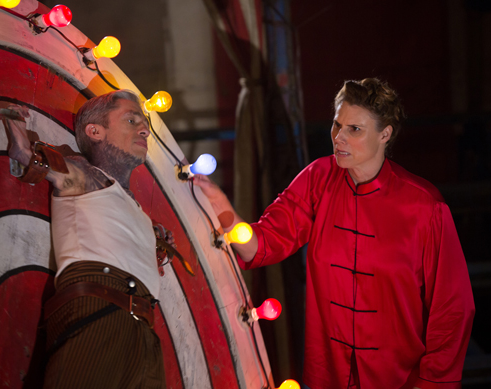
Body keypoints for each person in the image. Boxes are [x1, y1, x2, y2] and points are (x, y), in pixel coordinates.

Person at [195, 78, 475, 389]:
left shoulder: (425, 207)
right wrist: (224, 211)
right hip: (327, 375)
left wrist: (432, 384)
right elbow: (262, 245)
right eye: (336, 125)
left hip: (400, 380)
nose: (339, 138)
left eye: (354, 129)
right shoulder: (318, 179)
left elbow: (452, 308)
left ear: (385, 134)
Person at [0, 90, 166, 389]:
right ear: (95, 131)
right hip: (99, 308)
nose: (144, 129)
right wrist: (12, 117)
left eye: (143, 122)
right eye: (131, 119)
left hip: (145, 331)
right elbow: (27, 154)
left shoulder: (140, 213)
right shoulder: (84, 175)